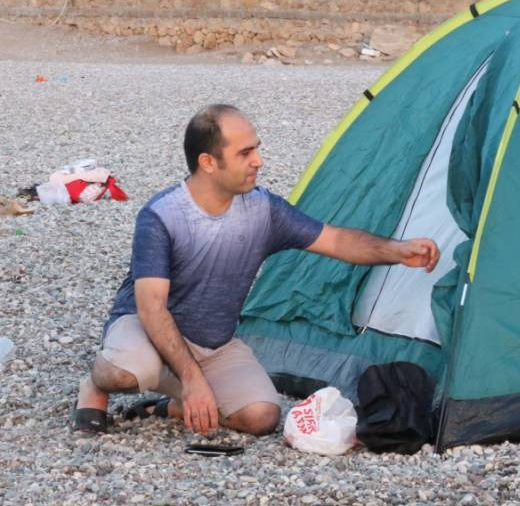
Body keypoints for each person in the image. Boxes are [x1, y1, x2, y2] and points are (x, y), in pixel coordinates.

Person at [70, 104, 440, 436]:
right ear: (208, 162)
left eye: (256, 149)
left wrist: (397, 251)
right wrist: (193, 379)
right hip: (149, 329)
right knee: (124, 372)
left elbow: (337, 240)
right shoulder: (162, 216)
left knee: (261, 417)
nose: (258, 161)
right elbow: (152, 308)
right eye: (245, 153)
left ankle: (174, 405)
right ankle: (95, 386)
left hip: (212, 344)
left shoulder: (263, 210)